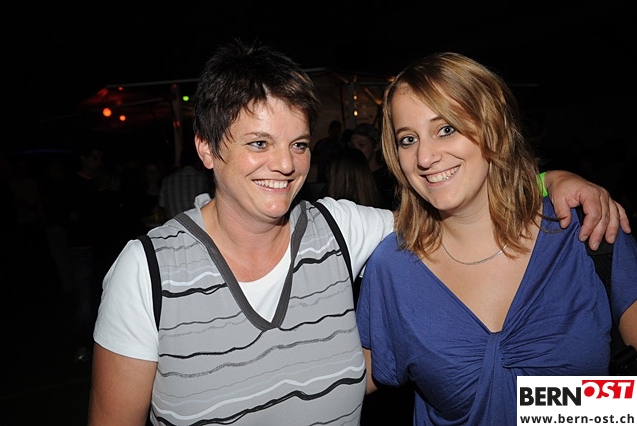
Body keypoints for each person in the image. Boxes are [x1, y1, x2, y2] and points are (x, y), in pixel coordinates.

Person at [88, 40, 628, 426]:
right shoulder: (146, 271)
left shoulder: (586, 235)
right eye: (258, 143)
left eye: (299, 144)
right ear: (206, 148)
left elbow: (472, 206)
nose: (284, 164)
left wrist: (548, 181)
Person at [356, 52, 637, 425]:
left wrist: (540, 406)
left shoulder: (586, 232)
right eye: (408, 139)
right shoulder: (393, 267)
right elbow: (348, 380)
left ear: (493, 126)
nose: (424, 157)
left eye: (446, 129)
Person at [349, 123, 398, 209]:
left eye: (361, 145)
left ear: (376, 146)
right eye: (353, 146)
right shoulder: (350, 177)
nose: (356, 151)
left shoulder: (387, 179)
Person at [158, 142, 210, 220]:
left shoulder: (167, 181)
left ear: (180, 161)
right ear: (198, 161)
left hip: (173, 225)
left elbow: (162, 208)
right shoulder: (204, 179)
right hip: (200, 225)